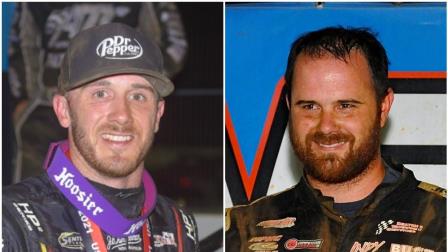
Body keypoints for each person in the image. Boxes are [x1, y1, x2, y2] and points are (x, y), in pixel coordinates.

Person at [225, 27, 446, 251]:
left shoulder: (441, 222)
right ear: (289, 106)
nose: (326, 126)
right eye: (310, 106)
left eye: (345, 106)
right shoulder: (241, 231)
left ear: (383, 107)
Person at [3, 23, 199, 251]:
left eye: (138, 96)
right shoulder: (11, 222)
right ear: (64, 111)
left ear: (158, 114)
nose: (122, 116)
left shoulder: (178, 225)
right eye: (101, 94)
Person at [7, 2, 187, 183]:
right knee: (34, 189)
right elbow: (21, 42)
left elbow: (175, 44)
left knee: (116, 178)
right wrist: (25, 94)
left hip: (118, 103)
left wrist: (140, 84)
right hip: (46, 105)